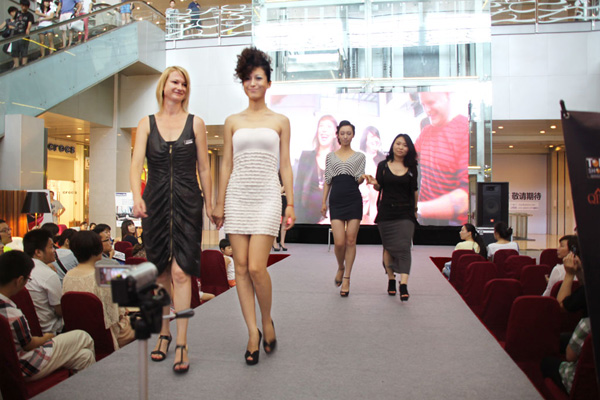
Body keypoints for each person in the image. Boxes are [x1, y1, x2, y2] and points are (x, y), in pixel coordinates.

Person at [212, 47, 295, 366]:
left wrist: (290, 202)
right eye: (247, 78)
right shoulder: (232, 121)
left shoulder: (280, 121)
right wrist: (219, 202)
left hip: (268, 196)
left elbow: (285, 164)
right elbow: (226, 164)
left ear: (268, 82)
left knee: (258, 267)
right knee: (241, 267)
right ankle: (252, 331)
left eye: (258, 78)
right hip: (237, 196)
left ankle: (267, 319)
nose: (253, 83)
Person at [131, 66, 212, 373]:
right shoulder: (146, 123)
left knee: (181, 272)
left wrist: (212, 202)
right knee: (161, 273)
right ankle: (164, 332)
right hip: (155, 203)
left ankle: (182, 341)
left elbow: (204, 168)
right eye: (175, 81)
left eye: (184, 83)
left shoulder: (196, 123)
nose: (180, 87)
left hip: (188, 202)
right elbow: (136, 165)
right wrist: (136, 196)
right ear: (163, 86)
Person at [0, 251, 95, 382]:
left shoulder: (6, 308)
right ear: (20, 280)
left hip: (10, 366)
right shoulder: (12, 314)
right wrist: (46, 338)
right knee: (83, 336)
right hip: (25, 364)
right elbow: (29, 344)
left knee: (85, 356)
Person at [365, 134, 418, 300]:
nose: (400, 147)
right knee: (388, 247)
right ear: (393, 145)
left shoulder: (412, 167)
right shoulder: (383, 165)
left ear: (409, 149)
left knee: (404, 247)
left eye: (404, 145)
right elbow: (379, 187)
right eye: (398, 143)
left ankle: (404, 284)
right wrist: (374, 183)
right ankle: (391, 279)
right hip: (386, 212)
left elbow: (414, 190)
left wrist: (415, 209)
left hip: (405, 212)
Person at [63, 231, 135, 349]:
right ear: (98, 249)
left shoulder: (68, 275)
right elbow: (115, 317)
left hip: (79, 336)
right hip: (106, 336)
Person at [321, 120, 366, 297]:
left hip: (354, 199)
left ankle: (347, 277)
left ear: (353, 135)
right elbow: (328, 180)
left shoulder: (360, 156)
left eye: (349, 133)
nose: (345, 136)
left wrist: (364, 178)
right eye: (342, 133)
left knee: (351, 240)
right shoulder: (331, 157)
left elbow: (358, 179)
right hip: (336, 200)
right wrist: (324, 202)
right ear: (338, 135)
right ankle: (341, 266)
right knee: (339, 242)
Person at [415, 92, 469, 225]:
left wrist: (416, 209)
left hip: (451, 224)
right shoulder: (426, 132)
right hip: (424, 221)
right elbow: (406, 160)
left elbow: (464, 198)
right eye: (423, 104)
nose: (427, 110)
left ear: (447, 96)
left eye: (431, 102)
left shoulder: (464, 129)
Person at [293, 115, 338, 224]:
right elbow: (298, 191)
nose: (324, 130)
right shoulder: (306, 156)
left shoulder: (340, 161)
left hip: (329, 221)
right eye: (321, 126)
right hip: (304, 220)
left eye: (328, 126)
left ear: (335, 134)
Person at [23, 229, 63, 334]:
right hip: (50, 330)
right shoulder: (48, 275)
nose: (54, 250)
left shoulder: (20, 270)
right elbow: (60, 311)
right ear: (38, 252)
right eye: (51, 247)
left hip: (28, 329)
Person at [541, 317, 591, 394]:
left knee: (546, 363)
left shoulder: (587, 324)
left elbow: (570, 357)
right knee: (562, 340)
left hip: (580, 384)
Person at [360, 126, 386, 224]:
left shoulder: (385, 160)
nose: (375, 140)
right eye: (372, 137)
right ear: (365, 141)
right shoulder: (359, 158)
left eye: (377, 137)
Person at [11, 0, 35, 68]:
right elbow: (14, 20)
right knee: (15, 51)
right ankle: (16, 66)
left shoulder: (30, 15)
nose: (24, 7)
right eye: (23, 5)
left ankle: (24, 66)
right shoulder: (17, 13)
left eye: (26, 6)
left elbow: (30, 23)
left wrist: (28, 29)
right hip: (15, 34)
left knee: (24, 51)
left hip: (24, 35)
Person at [273, 175, 288, 251]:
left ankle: (282, 242)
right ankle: (274, 242)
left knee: (285, 222)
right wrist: (285, 186)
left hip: (286, 200)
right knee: (276, 222)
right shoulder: (275, 180)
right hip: (277, 200)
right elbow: (278, 192)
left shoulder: (288, 181)